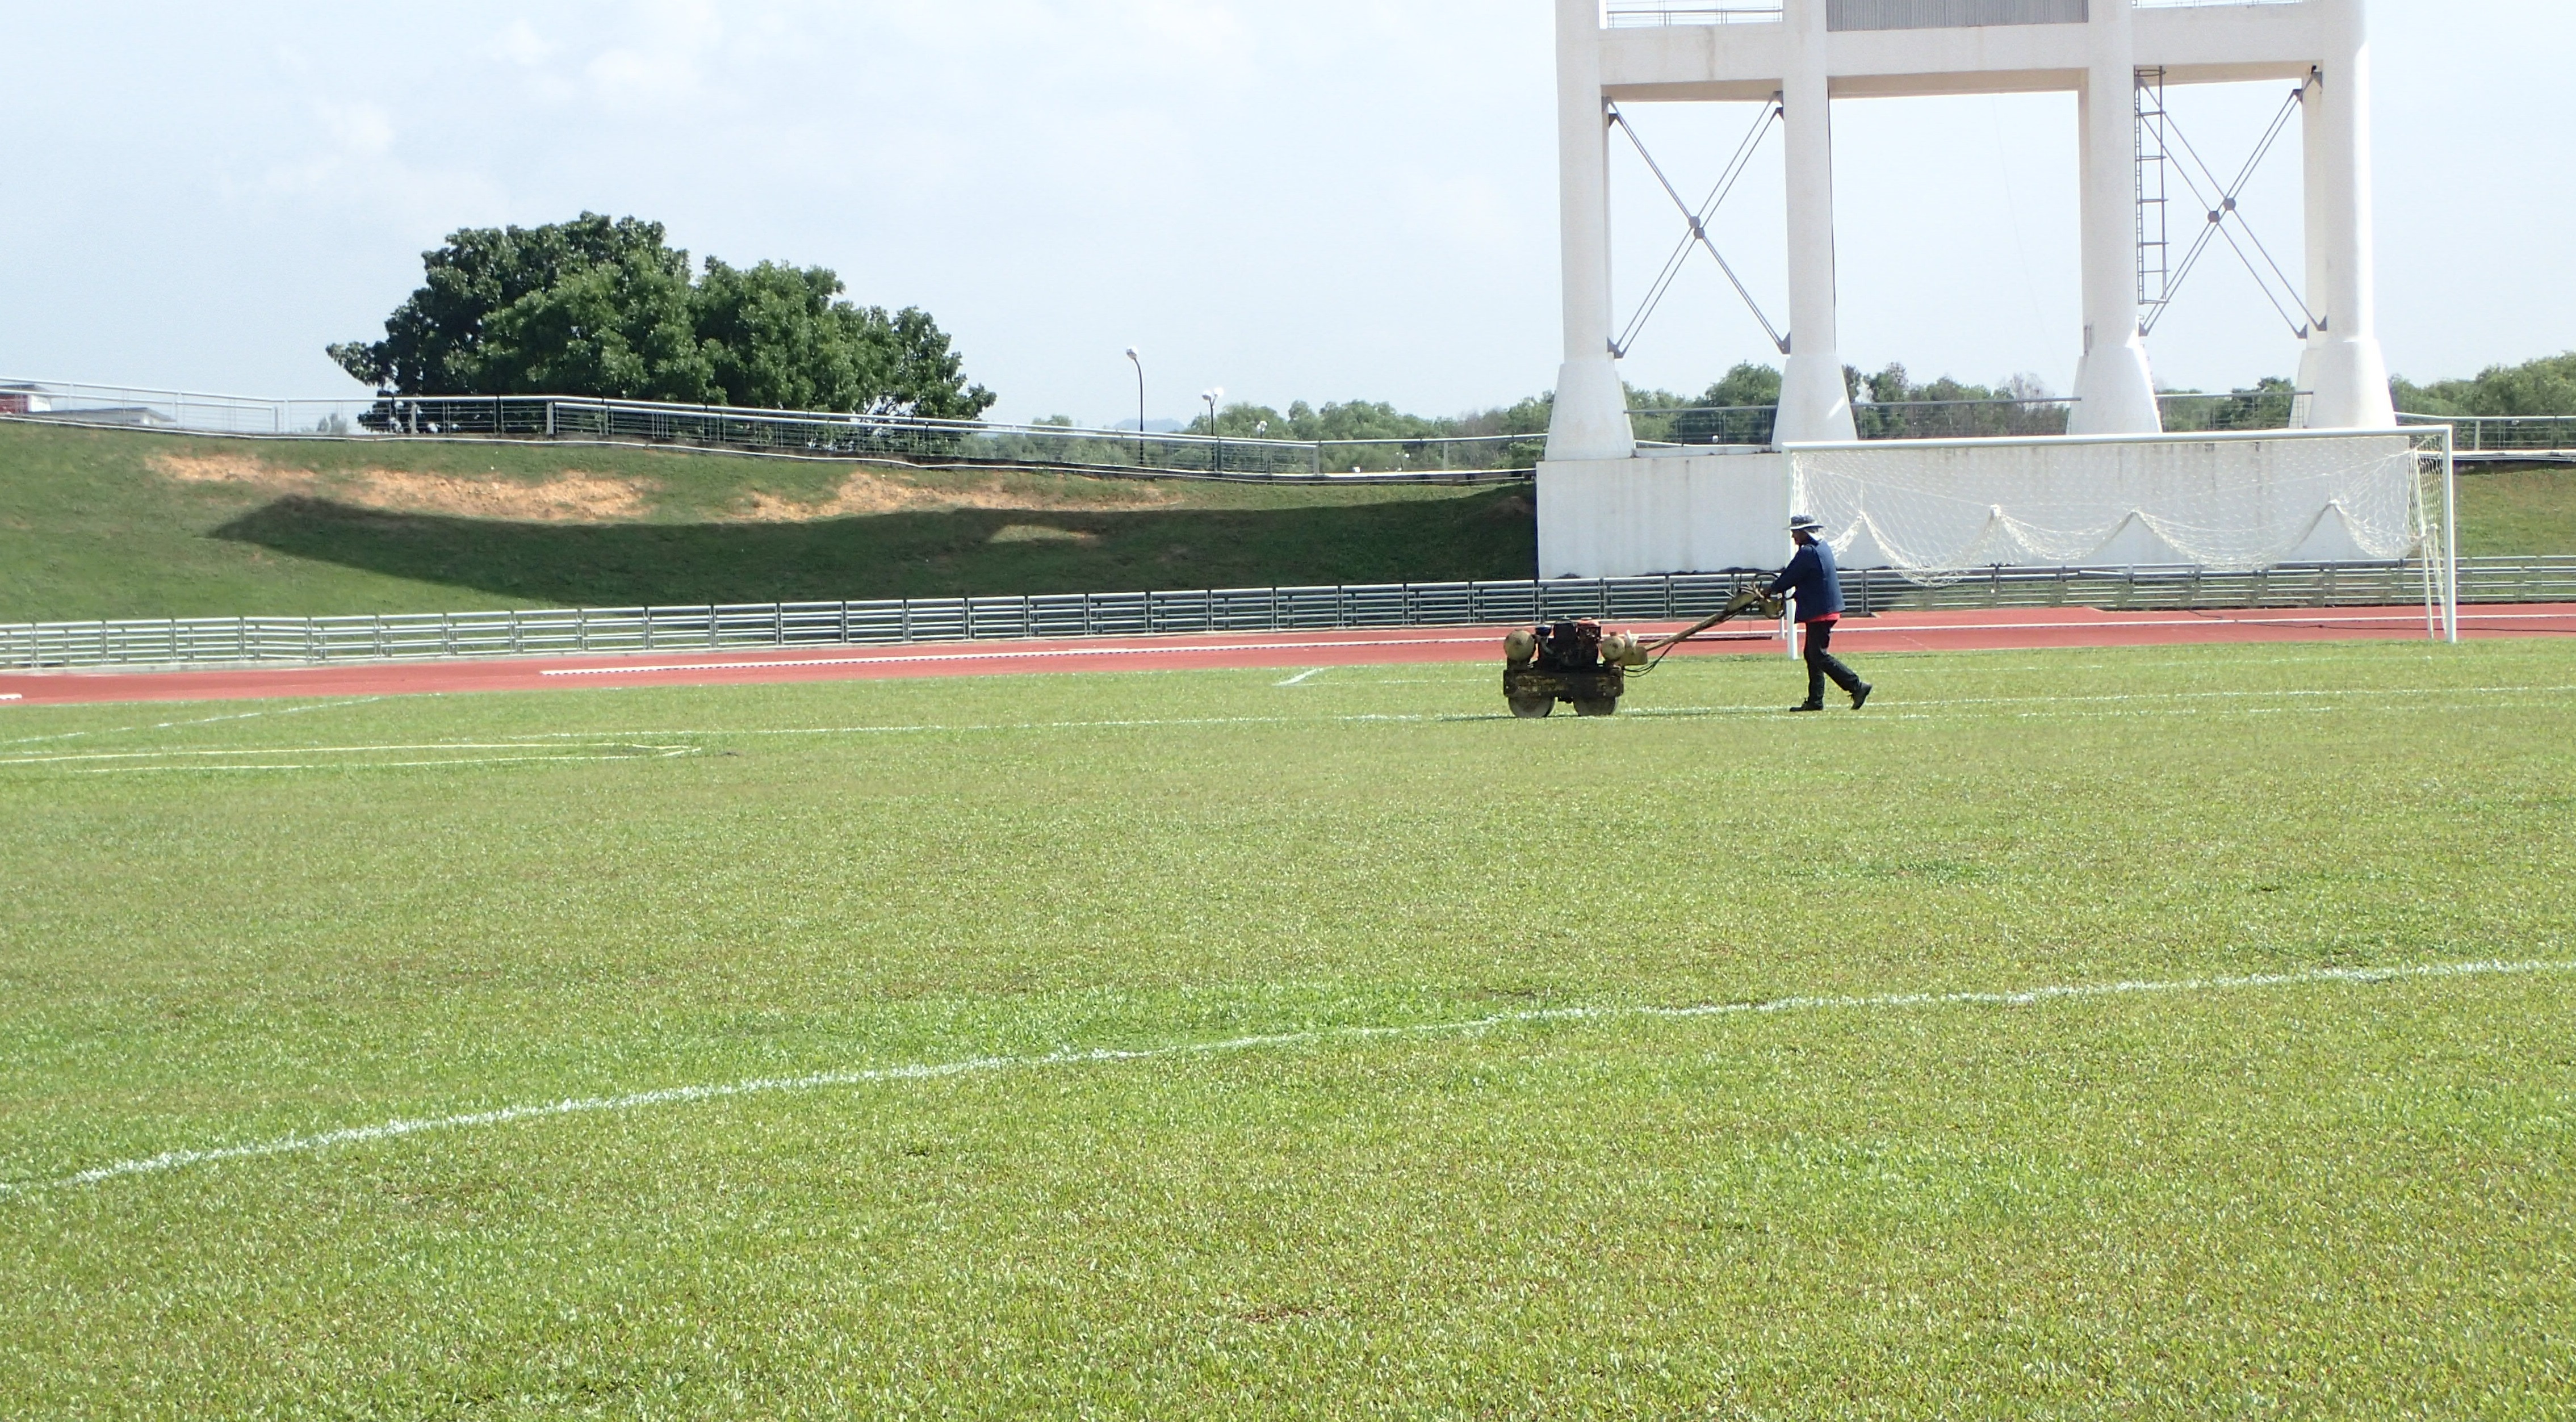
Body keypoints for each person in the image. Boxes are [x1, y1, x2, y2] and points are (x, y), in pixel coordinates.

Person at [1768, 514, 1872, 712]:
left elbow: (1789, 577)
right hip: (1824, 608)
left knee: (1818, 655)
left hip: (1820, 611)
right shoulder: (1822, 547)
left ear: (1804, 532)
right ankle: (1815, 701)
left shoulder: (1808, 552)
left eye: (1795, 533)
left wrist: (1770, 590)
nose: (1793, 537)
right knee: (1812, 654)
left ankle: (1857, 686)